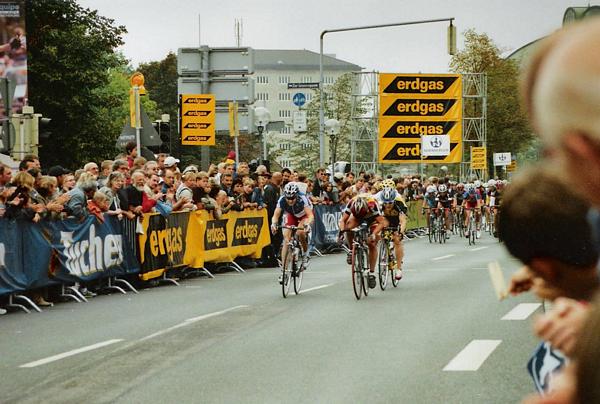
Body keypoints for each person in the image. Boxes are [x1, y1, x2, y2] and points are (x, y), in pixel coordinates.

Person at [339, 193, 388, 289]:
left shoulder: (372, 205)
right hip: (357, 217)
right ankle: (351, 250)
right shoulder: (351, 203)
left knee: (372, 243)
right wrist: (341, 232)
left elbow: (382, 222)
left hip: (373, 218)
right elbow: (342, 220)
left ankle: (372, 273)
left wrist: (373, 234)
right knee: (348, 228)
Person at [271, 183, 314, 280]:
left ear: (296, 196)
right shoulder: (282, 199)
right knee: (286, 240)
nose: (290, 201)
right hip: (292, 215)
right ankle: (284, 272)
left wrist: (307, 224)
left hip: (304, 216)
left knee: (300, 232)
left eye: (292, 198)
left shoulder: (302, 198)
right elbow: (276, 215)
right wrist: (273, 224)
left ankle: (305, 254)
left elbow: (310, 215)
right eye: (288, 198)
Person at [377, 184, 407, 281]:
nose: (387, 205)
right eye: (385, 203)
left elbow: (403, 221)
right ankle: (384, 250)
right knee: (379, 233)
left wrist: (401, 232)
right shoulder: (379, 204)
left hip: (396, 221)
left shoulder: (399, 204)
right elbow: (376, 219)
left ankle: (399, 268)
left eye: (390, 203)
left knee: (397, 239)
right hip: (385, 219)